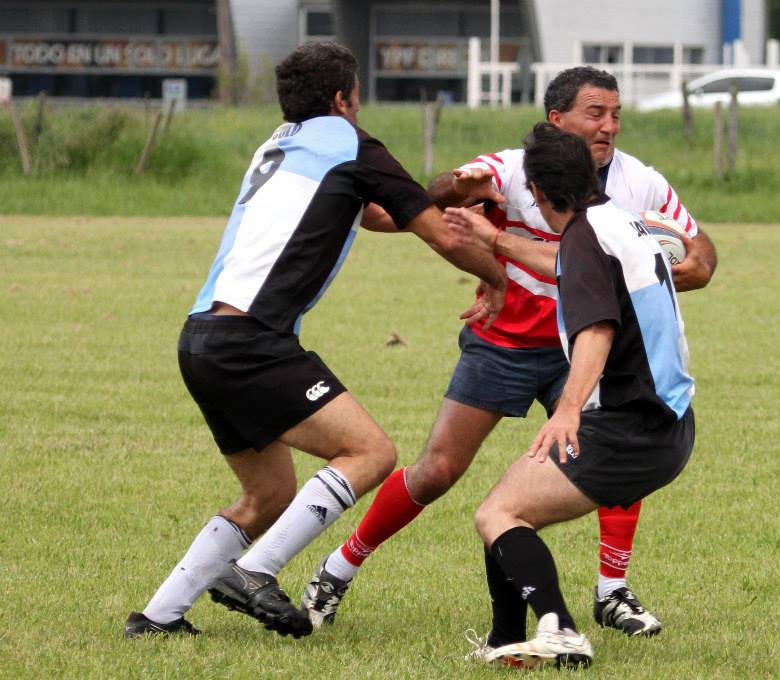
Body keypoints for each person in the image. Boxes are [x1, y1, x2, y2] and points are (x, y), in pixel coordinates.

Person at [302, 67, 715, 637]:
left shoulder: (637, 184)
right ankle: (339, 567)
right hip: (506, 344)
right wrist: (463, 191)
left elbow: (699, 258)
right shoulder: (518, 169)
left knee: (605, 462)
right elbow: (439, 196)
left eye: (616, 115)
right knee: (438, 469)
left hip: (585, 356)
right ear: (558, 119)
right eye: (595, 113)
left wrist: (650, 280)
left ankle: (609, 592)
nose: (609, 127)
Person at [122, 41, 505, 639]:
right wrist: (500, 280)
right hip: (252, 341)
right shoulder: (352, 144)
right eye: (358, 94)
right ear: (342, 98)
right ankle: (255, 571)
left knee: (268, 494)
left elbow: (376, 214)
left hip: (201, 338)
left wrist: (451, 192)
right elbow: (445, 241)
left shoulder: (279, 145)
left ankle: (158, 618)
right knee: (369, 453)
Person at [458, 122, 696, 668]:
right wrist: (495, 239)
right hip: (667, 422)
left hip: (628, 427)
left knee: (500, 514)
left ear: (539, 194)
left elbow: (597, 328)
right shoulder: (617, 223)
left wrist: (566, 410)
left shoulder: (587, 239)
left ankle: (558, 629)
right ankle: (506, 642)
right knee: (506, 503)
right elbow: (566, 268)